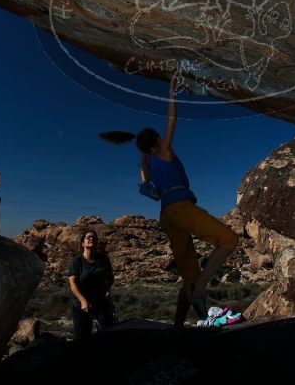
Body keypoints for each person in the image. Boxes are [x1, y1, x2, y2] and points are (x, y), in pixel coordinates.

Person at [100, 76, 238, 328]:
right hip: (182, 209)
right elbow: (171, 122)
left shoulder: (148, 164)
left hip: (167, 216)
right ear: (155, 143)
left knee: (189, 276)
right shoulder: (162, 152)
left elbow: (148, 189)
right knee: (229, 239)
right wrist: (172, 95)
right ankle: (199, 293)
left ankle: (177, 327)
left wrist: (143, 164)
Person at [67, 229, 116, 339]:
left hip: (101, 301)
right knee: (83, 336)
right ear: (82, 243)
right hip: (82, 303)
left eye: (94, 237)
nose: (91, 238)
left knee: (109, 331)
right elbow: (73, 283)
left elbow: (110, 277)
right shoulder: (77, 261)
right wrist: (83, 301)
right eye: (88, 237)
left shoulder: (103, 258)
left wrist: (107, 289)